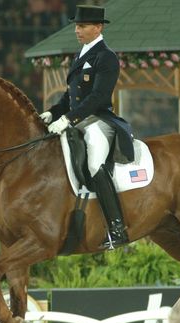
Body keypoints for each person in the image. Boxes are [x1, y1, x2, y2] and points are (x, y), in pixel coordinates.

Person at [39, 4, 134, 249]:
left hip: (98, 121)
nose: (77, 30)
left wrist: (68, 119)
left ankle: (117, 229)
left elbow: (98, 97)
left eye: (82, 26)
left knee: (94, 165)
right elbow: (69, 97)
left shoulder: (106, 57)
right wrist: (52, 113)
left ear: (98, 27)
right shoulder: (80, 54)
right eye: (76, 26)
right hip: (77, 120)